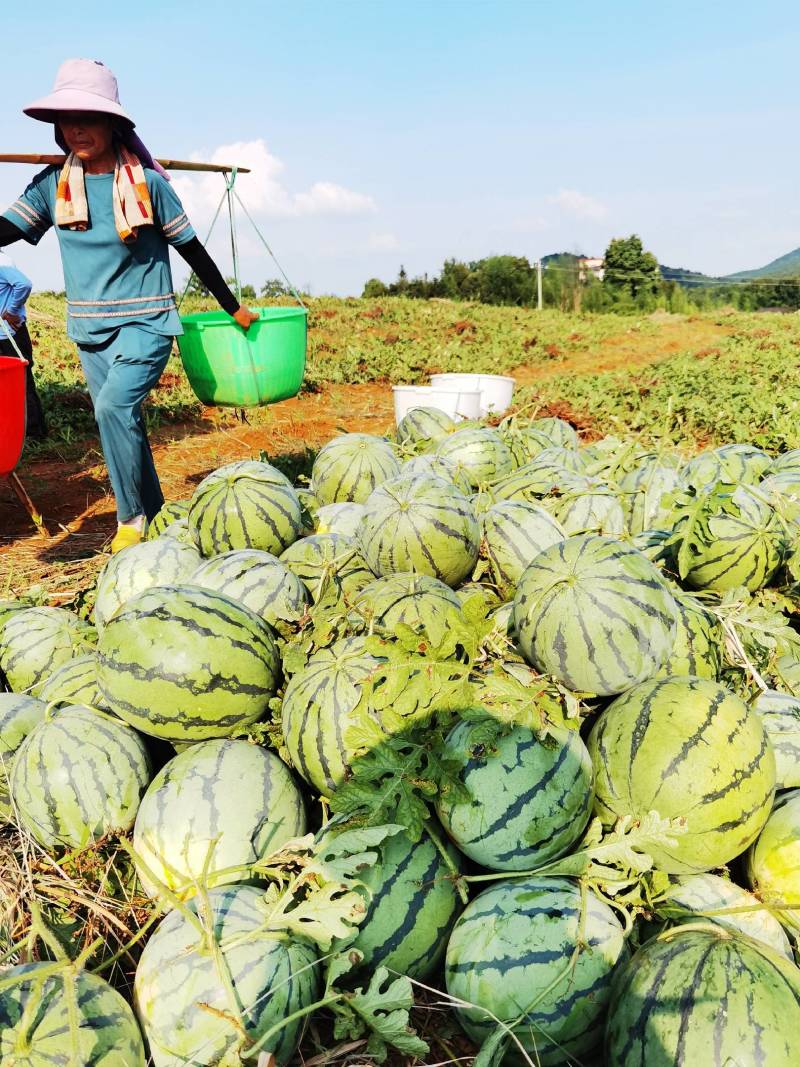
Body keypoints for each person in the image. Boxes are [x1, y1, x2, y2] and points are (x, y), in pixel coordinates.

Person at [0, 58, 257, 552]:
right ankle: (160, 516)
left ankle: (131, 520)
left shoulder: (148, 185)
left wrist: (233, 308)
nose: (75, 129)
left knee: (114, 410)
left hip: (147, 322)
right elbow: (7, 230)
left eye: (87, 118)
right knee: (125, 423)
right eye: (66, 120)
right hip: (89, 330)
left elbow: (192, 250)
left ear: (112, 123)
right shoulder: (53, 186)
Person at [0, 250, 47, 439]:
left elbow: (24, 284)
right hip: (2, 334)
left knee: (21, 382)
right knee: (6, 385)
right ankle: (12, 432)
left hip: (11, 334)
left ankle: (33, 433)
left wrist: (11, 311)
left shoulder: (2, 260)